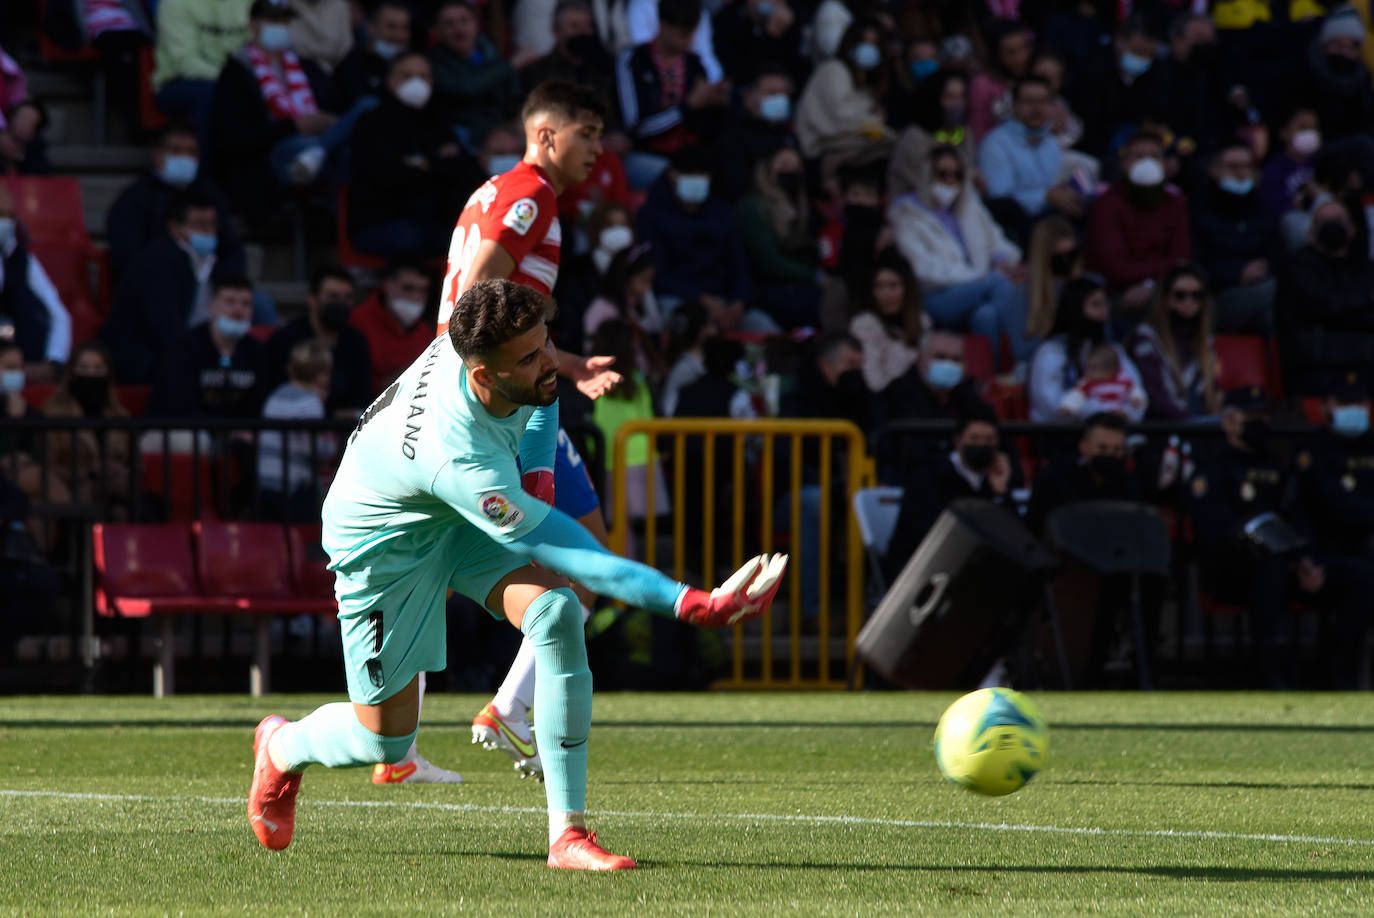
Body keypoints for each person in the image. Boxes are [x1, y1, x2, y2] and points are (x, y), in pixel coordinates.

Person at [246, 278, 789, 869]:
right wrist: (691, 603)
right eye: (528, 357)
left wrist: (538, 479)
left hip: (447, 510)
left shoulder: (495, 345)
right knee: (385, 740)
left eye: (546, 342)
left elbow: (542, 398)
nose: (547, 360)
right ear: (483, 375)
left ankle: (568, 837)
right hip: (383, 544)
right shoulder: (463, 460)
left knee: (556, 613)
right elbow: (583, 556)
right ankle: (280, 745)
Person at [1185, 386, 1330, 688]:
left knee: (1355, 575)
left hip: (1286, 564)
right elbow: (1215, 528)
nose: (1258, 422)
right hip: (1233, 569)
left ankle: (1337, 678)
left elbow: (1298, 518)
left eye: (1262, 415)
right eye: (1249, 416)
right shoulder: (1212, 466)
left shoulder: (1278, 466)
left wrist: (1306, 560)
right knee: (1269, 570)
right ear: (1227, 422)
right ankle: (1269, 676)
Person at [210, 0, 356, 221]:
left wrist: (326, 121)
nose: (281, 26)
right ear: (254, 24)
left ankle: (338, 213)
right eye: (273, 20)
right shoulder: (237, 72)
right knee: (336, 152)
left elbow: (335, 104)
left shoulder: (307, 65)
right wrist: (293, 126)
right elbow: (236, 138)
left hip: (320, 139)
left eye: (285, 20)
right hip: (270, 155)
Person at [890, 145, 1030, 365]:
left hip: (981, 290)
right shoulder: (906, 214)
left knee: (986, 315)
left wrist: (1000, 259)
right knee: (999, 283)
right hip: (934, 297)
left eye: (957, 174)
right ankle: (1021, 359)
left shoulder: (969, 206)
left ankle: (989, 378)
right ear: (928, 174)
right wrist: (979, 277)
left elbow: (998, 242)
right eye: (942, 174)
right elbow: (923, 270)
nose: (950, 180)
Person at [346, 51, 485, 258]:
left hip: (434, 220)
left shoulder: (440, 122)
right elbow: (384, 174)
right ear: (390, 81)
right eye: (407, 76)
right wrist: (435, 164)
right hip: (380, 220)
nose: (417, 83)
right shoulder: (371, 123)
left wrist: (420, 164)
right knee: (410, 238)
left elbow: (463, 170)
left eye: (423, 76)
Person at [1293, 374, 1374, 686]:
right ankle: (1338, 679)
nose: (1353, 410)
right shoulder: (1313, 452)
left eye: (1358, 403)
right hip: (1328, 554)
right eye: (1344, 403)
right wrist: (1305, 558)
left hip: (1366, 549)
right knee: (1361, 579)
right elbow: (1324, 505)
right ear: (1326, 406)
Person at [883, 403, 1022, 581]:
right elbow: (923, 533)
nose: (982, 445)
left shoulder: (998, 477)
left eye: (989, 440)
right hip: (926, 571)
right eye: (974, 438)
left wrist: (1001, 493)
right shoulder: (929, 474)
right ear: (958, 441)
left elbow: (1014, 536)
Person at [103, 192, 226, 386]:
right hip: (146, 359)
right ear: (175, 227)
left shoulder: (213, 259)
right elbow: (166, 328)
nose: (208, 231)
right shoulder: (155, 263)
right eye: (200, 224)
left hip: (189, 351)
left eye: (212, 224)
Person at [106, 124, 246, 285]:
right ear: (157, 154)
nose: (185, 158)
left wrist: (219, 284)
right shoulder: (133, 200)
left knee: (257, 303)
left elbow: (231, 250)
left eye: (191, 152)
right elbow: (127, 256)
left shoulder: (211, 195)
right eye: (176, 151)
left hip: (210, 285)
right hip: (155, 285)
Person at [614, 0, 729, 187]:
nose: (688, 40)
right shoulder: (634, 61)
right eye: (683, 33)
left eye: (692, 33)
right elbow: (636, 127)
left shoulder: (695, 64)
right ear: (663, 25)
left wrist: (717, 103)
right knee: (682, 179)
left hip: (689, 155)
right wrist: (687, 107)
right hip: (645, 155)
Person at [635, 144, 755, 323]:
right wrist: (700, 299)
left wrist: (739, 302)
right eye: (690, 174)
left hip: (724, 302)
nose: (697, 179)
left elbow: (739, 264)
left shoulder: (723, 212)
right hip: (676, 300)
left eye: (702, 174)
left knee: (763, 327)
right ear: (672, 175)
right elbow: (656, 274)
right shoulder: (651, 215)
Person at [1082, 131, 1191, 325]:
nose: (1147, 163)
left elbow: (1181, 259)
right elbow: (1114, 267)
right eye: (1139, 157)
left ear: (1165, 164)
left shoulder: (1176, 203)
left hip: (1164, 289)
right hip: (1116, 294)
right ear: (1124, 163)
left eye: (1154, 156)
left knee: (1195, 301)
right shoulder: (1106, 204)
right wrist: (1159, 276)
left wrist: (1152, 285)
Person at [1276, 199, 1374, 396]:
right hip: (1315, 368)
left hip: (1365, 364)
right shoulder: (1297, 267)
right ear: (1311, 232)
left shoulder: (1365, 267)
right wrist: (1365, 302)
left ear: (1353, 229)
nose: (1332, 227)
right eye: (1324, 222)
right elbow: (1323, 305)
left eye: (1338, 220)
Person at [146, 272, 269, 420]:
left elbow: (261, 403)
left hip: (236, 434)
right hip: (178, 430)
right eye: (230, 302)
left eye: (245, 304)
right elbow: (178, 403)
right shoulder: (184, 347)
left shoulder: (257, 351)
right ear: (211, 306)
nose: (238, 310)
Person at [978, 76, 1084, 235]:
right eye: (1029, 102)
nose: (1037, 109)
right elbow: (1000, 201)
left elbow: (1055, 185)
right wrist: (1045, 197)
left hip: (1052, 222)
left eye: (1043, 101)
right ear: (1014, 106)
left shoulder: (1051, 143)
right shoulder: (995, 143)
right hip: (1015, 228)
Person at [1190, 142, 1279, 334]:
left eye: (1246, 166)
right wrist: (1238, 273)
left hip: (1263, 293)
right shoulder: (1198, 211)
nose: (1241, 173)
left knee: (1272, 317)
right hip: (1218, 297)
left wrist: (1266, 267)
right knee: (1280, 291)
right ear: (1214, 170)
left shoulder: (1264, 210)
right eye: (1232, 166)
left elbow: (1279, 254)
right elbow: (1195, 266)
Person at [1028, 276, 1144, 422]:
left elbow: (1135, 391)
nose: (1103, 312)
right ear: (1074, 308)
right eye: (1095, 304)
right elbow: (1049, 403)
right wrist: (1098, 412)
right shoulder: (1051, 351)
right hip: (1062, 436)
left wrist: (1125, 414)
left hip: (1115, 432)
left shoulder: (1113, 350)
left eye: (1104, 304)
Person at [264, 264, 373, 417]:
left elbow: (363, 400)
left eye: (347, 298)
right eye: (333, 297)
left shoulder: (357, 343)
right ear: (312, 299)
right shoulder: (284, 341)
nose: (341, 304)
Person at [794, 17, 893, 181]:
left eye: (874, 44)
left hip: (852, 147)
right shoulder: (834, 69)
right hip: (821, 150)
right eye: (863, 41)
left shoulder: (868, 85)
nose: (868, 48)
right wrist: (872, 119)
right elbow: (841, 119)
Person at [735, 147, 822, 329]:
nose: (790, 171)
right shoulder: (754, 207)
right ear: (766, 170)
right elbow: (768, 262)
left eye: (796, 167)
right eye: (784, 164)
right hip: (765, 290)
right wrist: (812, 275)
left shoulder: (800, 208)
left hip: (794, 286)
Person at [41, 341, 132, 512]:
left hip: (117, 489)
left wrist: (119, 471)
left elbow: (136, 466)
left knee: (121, 504)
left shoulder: (121, 417)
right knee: (89, 494)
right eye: (83, 368)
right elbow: (48, 466)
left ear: (108, 374)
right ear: (72, 374)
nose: (91, 374)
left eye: (98, 369)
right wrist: (89, 472)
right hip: (73, 489)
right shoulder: (54, 415)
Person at [152, 0, 252, 155]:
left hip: (235, 80)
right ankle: (205, 173)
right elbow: (185, 62)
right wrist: (232, 82)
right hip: (177, 82)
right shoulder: (175, 3)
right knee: (211, 95)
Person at [1124, 264, 1221, 421]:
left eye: (1196, 295)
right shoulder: (1146, 338)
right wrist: (1192, 421)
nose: (1189, 301)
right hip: (1160, 427)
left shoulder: (1205, 343)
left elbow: (1211, 394)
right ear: (1166, 298)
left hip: (1197, 427)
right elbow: (1153, 397)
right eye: (1180, 295)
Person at [257, 337, 337, 522]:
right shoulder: (310, 403)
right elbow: (316, 449)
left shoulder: (275, 396)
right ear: (321, 375)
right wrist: (331, 442)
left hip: (265, 484)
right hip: (293, 489)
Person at [429, 0, 523, 149]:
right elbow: (467, 87)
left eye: (464, 21)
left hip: (501, 133)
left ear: (476, 23)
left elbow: (513, 94)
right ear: (438, 31)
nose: (458, 29)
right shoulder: (434, 63)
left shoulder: (490, 52)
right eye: (449, 24)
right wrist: (511, 65)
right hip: (462, 139)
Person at [0, 185, 70, 379]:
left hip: (20, 365)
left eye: (9, 216)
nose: (4, 222)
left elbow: (59, 315)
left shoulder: (23, 260)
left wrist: (53, 362)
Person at [713, 64, 799, 203]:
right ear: (748, 99)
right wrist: (769, 167)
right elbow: (735, 188)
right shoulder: (732, 137)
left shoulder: (790, 134)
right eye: (772, 93)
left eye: (784, 94)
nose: (780, 99)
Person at [349, 260, 436, 395]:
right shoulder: (356, 322)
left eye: (423, 290)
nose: (416, 297)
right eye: (408, 288)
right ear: (388, 285)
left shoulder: (425, 333)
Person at [886, 68, 972, 199]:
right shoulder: (913, 138)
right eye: (950, 97)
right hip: (912, 213)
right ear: (933, 99)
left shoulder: (964, 134)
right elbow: (934, 186)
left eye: (961, 97)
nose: (957, 104)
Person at [848, 249, 925, 396]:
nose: (886, 295)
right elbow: (873, 382)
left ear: (907, 288)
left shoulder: (923, 322)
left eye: (893, 285)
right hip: (884, 401)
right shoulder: (864, 324)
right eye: (879, 286)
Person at [582, 242, 662, 363]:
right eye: (643, 280)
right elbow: (591, 350)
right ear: (624, 277)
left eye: (650, 281)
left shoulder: (632, 309)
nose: (647, 288)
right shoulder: (601, 308)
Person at [333, 0, 411, 107]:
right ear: (371, 28)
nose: (399, 35)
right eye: (391, 27)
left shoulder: (417, 66)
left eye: (405, 28)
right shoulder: (353, 65)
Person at [712, 0, 806, 87]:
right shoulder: (727, 21)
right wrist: (769, 37)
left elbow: (797, 71)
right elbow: (739, 74)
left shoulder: (792, 19)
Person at [968, 20, 1031, 144]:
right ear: (995, 55)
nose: (1021, 57)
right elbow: (979, 130)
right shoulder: (982, 84)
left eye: (1024, 48)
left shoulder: (1033, 75)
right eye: (1011, 52)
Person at [1056, 342, 1147, 421]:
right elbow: (1077, 396)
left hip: (1120, 416)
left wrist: (1137, 399)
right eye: (1088, 367)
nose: (1088, 372)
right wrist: (1068, 407)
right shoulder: (1088, 383)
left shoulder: (1122, 379)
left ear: (1109, 369)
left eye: (1094, 368)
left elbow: (1134, 390)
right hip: (1097, 418)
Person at [1024, 214, 1080, 342]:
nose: (1067, 263)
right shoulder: (1023, 293)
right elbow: (1020, 350)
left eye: (1071, 255)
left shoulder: (1088, 286)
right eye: (1060, 257)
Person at [1258, 107, 1320, 219]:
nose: (1310, 134)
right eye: (1303, 128)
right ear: (1284, 133)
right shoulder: (1273, 170)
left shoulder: (1322, 162)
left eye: (1314, 128)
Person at [286, 0, 352, 71]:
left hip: (338, 67)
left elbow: (331, 48)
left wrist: (299, 7)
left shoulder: (337, 5)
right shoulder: (289, 6)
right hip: (301, 64)